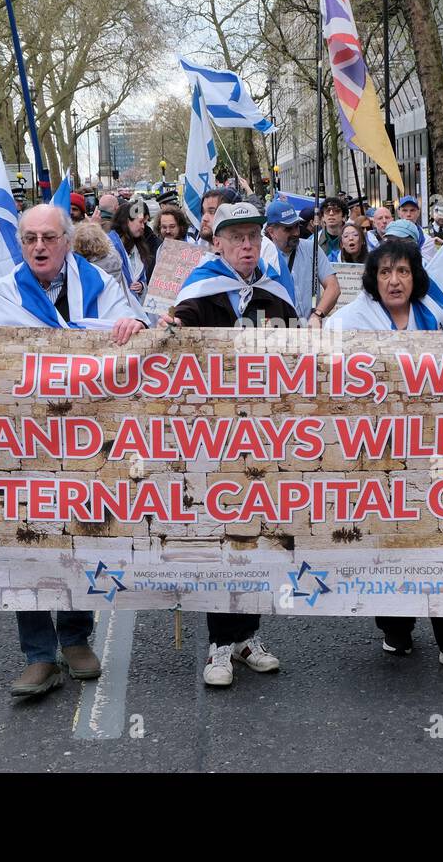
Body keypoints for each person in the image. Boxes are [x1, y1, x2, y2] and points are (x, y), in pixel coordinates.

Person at [0, 204, 146, 697]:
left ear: (67, 240)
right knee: (28, 537)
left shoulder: (103, 288)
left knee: (75, 536)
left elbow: (133, 334)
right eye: (29, 239)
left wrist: (132, 327)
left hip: (84, 435)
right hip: (26, 439)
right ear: (20, 244)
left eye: (48, 237)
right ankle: (37, 654)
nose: (39, 247)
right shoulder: (1, 294)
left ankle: (75, 637)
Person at [324, 238, 443, 670]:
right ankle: (395, 627)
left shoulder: (438, 317)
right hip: (380, 452)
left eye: (404, 272)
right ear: (374, 280)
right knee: (391, 540)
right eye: (386, 272)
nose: (395, 280)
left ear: (416, 277)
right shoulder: (347, 323)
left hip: (433, 451)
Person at [160, 202, 295, 687]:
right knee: (221, 539)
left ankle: (246, 638)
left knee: (255, 536)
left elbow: (297, 354)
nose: (246, 246)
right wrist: (171, 325)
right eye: (235, 237)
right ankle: (219, 645)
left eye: (253, 238)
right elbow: (177, 325)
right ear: (216, 242)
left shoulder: (275, 293)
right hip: (212, 439)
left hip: (262, 436)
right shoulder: (201, 290)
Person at [263, 198, 338, 327]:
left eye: (297, 226)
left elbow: (333, 287)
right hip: (280, 332)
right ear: (271, 231)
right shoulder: (263, 257)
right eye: (288, 229)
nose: (296, 232)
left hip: (311, 331)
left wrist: (317, 315)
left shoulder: (312, 248)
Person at [112, 199, 158, 297]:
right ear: (127, 221)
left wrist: (141, 286)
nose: (143, 226)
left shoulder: (140, 245)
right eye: (140, 222)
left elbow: (142, 277)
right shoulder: (111, 245)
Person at [315, 195, 348, 260]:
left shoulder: (352, 238)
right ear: (323, 217)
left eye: (336, 211)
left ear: (344, 217)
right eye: (327, 211)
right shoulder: (314, 240)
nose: (331, 213)